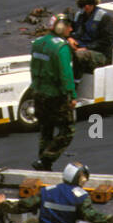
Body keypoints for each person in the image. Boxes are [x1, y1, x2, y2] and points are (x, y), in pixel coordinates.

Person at [30, 13, 77, 171]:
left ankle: (44, 164)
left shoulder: (37, 43)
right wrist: (71, 95)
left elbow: (33, 69)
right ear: (60, 27)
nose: (71, 28)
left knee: (46, 129)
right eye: (68, 25)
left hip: (38, 93)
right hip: (55, 96)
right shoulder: (61, 47)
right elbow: (66, 74)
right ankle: (45, 159)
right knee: (68, 131)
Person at [68, 0, 113, 78]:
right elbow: (70, 30)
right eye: (83, 4)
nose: (86, 6)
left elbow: (107, 41)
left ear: (94, 3)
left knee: (79, 55)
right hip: (81, 48)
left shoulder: (104, 17)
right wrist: (70, 38)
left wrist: (86, 48)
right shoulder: (79, 16)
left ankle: (74, 83)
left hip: (100, 54)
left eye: (89, 3)